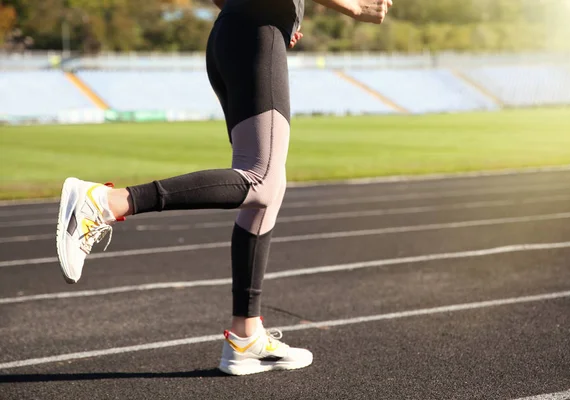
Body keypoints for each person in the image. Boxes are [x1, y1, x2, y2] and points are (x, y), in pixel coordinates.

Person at [55, 0, 392, 376]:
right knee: (260, 178)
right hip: (256, 31)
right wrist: (353, 8)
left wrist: (285, 13)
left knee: (269, 190)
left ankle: (246, 338)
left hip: (236, 32)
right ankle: (107, 201)